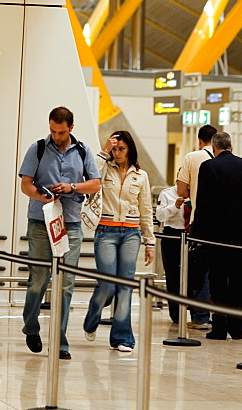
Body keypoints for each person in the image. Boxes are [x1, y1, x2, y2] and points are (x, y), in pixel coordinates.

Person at [19, 106, 100, 360]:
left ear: (71, 129)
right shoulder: (38, 148)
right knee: (39, 279)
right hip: (42, 221)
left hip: (71, 223)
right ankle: (31, 326)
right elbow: (25, 183)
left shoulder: (84, 150)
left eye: (61, 132)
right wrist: (42, 196)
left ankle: (60, 341)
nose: (56, 135)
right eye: (52, 130)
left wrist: (72, 186)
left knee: (65, 284)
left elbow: (95, 183)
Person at [82, 131, 154, 351]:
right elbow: (89, 174)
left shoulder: (140, 175)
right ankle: (92, 318)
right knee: (107, 284)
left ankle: (122, 338)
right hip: (106, 232)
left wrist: (149, 241)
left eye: (121, 149)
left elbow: (146, 209)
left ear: (130, 149)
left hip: (131, 234)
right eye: (115, 149)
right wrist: (104, 151)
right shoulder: (104, 169)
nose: (118, 153)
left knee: (125, 286)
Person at [191, 131, 242, 340]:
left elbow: (202, 203)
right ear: (231, 146)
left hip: (217, 235)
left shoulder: (209, 166)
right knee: (240, 282)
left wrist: (198, 235)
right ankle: (237, 328)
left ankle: (219, 328)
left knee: (219, 281)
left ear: (213, 148)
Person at [177, 124, 217, 329]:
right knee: (217, 269)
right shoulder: (226, 157)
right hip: (221, 223)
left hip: (199, 221)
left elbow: (181, 190)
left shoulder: (192, 157)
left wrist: (192, 191)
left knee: (200, 269)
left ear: (200, 140)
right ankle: (219, 316)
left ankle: (200, 316)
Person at [156, 182, 187, 324]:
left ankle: (197, 314)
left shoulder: (196, 192)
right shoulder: (167, 193)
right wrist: (175, 206)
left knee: (194, 275)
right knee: (173, 276)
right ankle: (175, 314)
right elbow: (160, 216)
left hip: (191, 234)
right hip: (172, 235)